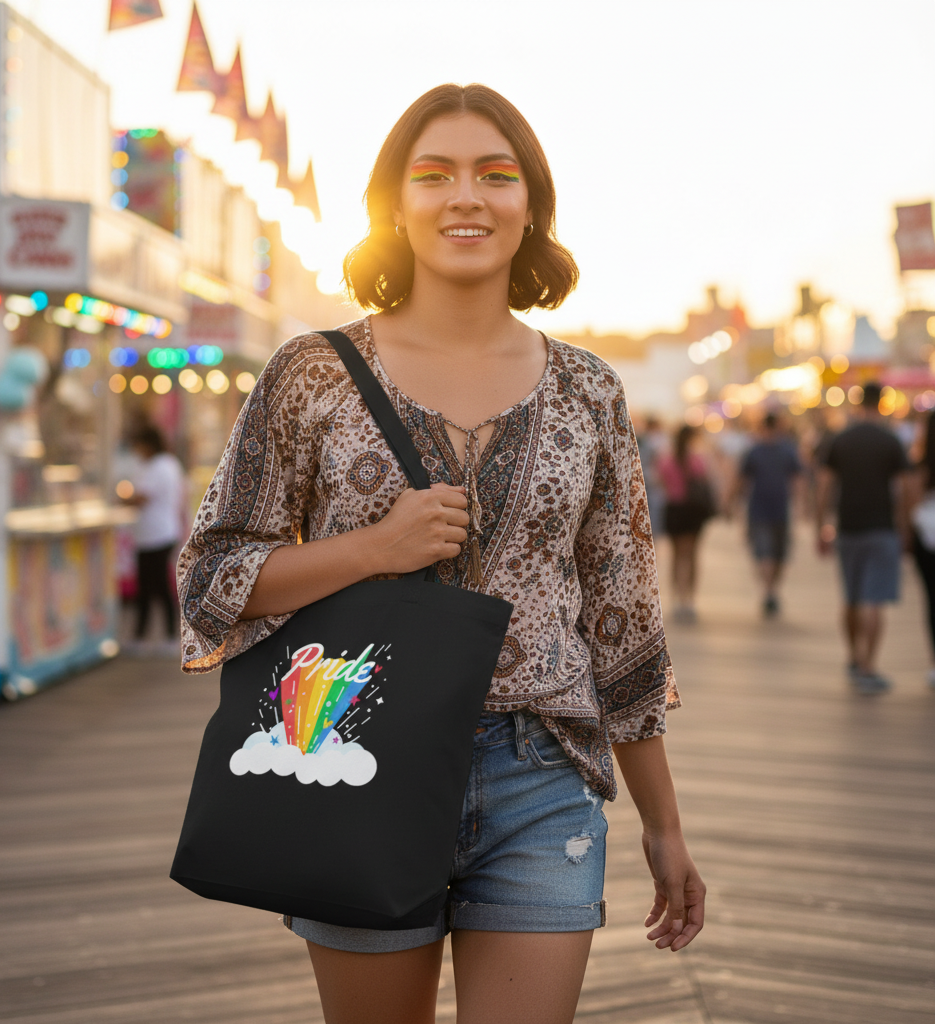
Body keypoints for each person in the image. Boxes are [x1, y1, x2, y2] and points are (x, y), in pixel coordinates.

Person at [176, 84, 704, 1024]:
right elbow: (213, 578)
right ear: (394, 205)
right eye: (435, 175)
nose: (467, 197)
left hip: (540, 770)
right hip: (350, 755)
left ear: (530, 204)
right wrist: (373, 549)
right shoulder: (312, 372)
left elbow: (624, 623)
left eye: (496, 175)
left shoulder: (589, 390)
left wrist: (665, 826)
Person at [816, 382, 909, 692]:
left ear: (857, 403)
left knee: (852, 597)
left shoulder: (841, 440)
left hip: (848, 527)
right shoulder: (891, 441)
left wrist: (821, 526)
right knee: (874, 599)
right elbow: (903, 490)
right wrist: (904, 528)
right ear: (882, 403)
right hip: (881, 527)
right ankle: (868, 665)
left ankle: (854, 657)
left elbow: (825, 486)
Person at [734, 412, 802, 617]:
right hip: (775, 509)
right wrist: (800, 505)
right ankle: (771, 590)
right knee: (776, 554)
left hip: (762, 508)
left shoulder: (756, 451)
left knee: (767, 553)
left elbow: (742, 481)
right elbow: (797, 480)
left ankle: (769, 589)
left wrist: (734, 504)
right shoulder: (784, 450)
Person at [124, 425, 184, 643]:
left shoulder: (158, 466)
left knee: (154, 587)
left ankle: (161, 634)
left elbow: (141, 497)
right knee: (153, 587)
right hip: (158, 532)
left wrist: (122, 499)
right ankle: (154, 634)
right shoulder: (168, 464)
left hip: (156, 534)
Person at [658, 424, 714, 622]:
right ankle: (689, 598)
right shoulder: (696, 459)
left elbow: (661, 481)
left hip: (674, 509)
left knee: (676, 555)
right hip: (692, 510)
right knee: (691, 554)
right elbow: (704, 478)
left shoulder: (667, 459)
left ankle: (677, 597)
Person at [905, 411, 935, 688]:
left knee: (931, 601)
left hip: (927, 540)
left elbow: (910, 504)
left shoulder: (920, 467)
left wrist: (905, 538)